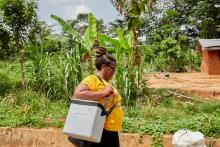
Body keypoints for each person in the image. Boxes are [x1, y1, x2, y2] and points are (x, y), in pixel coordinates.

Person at [68, 46, 123, 147]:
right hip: (100, 130)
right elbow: (78, 94)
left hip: (110, 131)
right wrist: (104, 92)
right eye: (113, 69)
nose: (114, 72)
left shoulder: (105, 83)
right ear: (104, 67)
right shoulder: (92, 79)